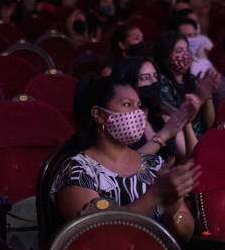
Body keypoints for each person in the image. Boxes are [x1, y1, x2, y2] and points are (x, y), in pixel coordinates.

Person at [52, 75, 197, 240]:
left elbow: (186, 233)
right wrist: (154, 195)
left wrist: (173, 212)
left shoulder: (152, 164)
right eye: (127, 104)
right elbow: (98, 236)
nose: (137, 113)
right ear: (99, 114)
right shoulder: (78, 171)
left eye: (139, 106)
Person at [109, 57, 200, 159]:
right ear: (128, 84)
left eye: (156, 76)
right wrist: (164, 134)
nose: (154, 82)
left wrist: (186, 122)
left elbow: (195, 158)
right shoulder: (118, 126)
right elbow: (124, 168)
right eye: (145, 78)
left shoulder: (162, 118)